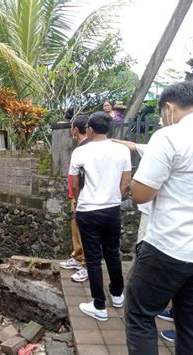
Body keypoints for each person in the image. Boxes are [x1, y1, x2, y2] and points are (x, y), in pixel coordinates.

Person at [125, 80, 193, 355]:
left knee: (140, 314)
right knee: (192, 324)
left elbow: (141, 194)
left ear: (169, 108)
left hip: (169, 248)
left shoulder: (169, 136)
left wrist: (133, 184)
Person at [69, 111, 132, 321]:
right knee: (113, 253)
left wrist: (78, 201)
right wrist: (114, 197)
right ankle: (117, 295)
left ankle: (99, 306)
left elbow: (74, 183)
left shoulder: (81, 152)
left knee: (94, 258)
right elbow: (126, 183)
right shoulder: (122, 151)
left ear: (90, 129)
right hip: (112, 209)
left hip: (88, 210)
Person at [60, 115, 89, 282]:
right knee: (75, 227)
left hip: (82, 197)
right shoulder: (82, 148)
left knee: (82, 230)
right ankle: (77, 258)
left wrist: (75, 198)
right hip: (77, 196)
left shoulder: (84, 150)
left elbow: (77, 179)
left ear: (75, 130)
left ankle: (85, 264)